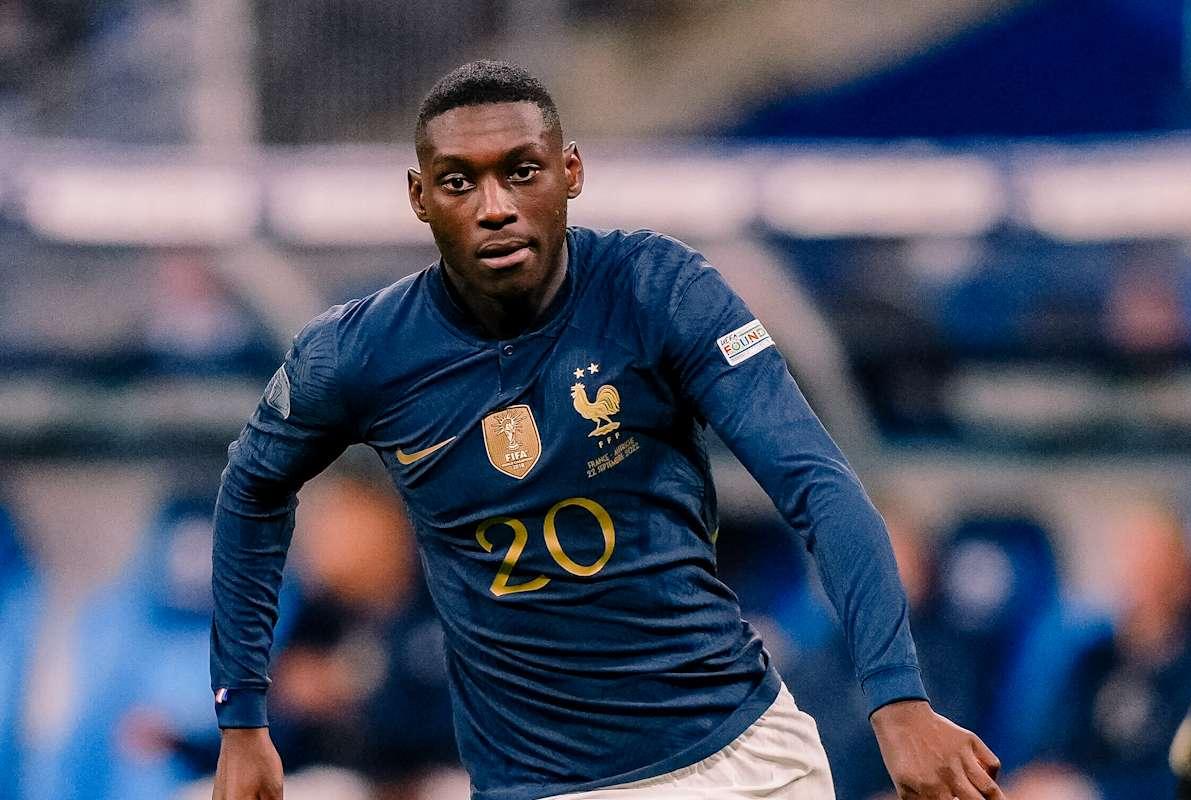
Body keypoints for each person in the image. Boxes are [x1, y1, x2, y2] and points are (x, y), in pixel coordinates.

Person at [210, 60, 1005, 800]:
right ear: (420, 197)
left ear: (571, 173)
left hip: (739, 763)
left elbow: (816, 481)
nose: (495, 206)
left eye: (522, 171)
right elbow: (251, 489)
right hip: (539, 784)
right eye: (459, 181)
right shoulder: (357, 353)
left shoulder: (661, 290)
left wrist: (898, 699)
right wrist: (242, 719)